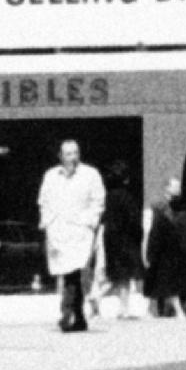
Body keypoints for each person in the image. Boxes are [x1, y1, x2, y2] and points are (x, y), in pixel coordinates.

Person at [40, 136, 110, 333]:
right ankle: (78, 317)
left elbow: (98, 201)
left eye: (76, 153)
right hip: (60, 232)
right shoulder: (51, 176)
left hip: (81, 232)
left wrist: (90, 222)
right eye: (69, 153)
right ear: (60, 156)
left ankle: (67, 312)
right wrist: (48, 223)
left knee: (74, 271)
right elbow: (44, 201)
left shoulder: (90, 174)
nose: (73, 157)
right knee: (69, 273)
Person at [143, 180, 186, 318]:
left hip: (180, 251)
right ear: (167, 190)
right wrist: (149, 252)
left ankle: (177, 309)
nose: (178, 190)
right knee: (162, 279)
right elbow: (153, 232)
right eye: (174, 187)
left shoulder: (182, 209)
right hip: (165, 250)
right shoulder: (160, 209)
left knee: (180, 280)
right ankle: (167, 310)